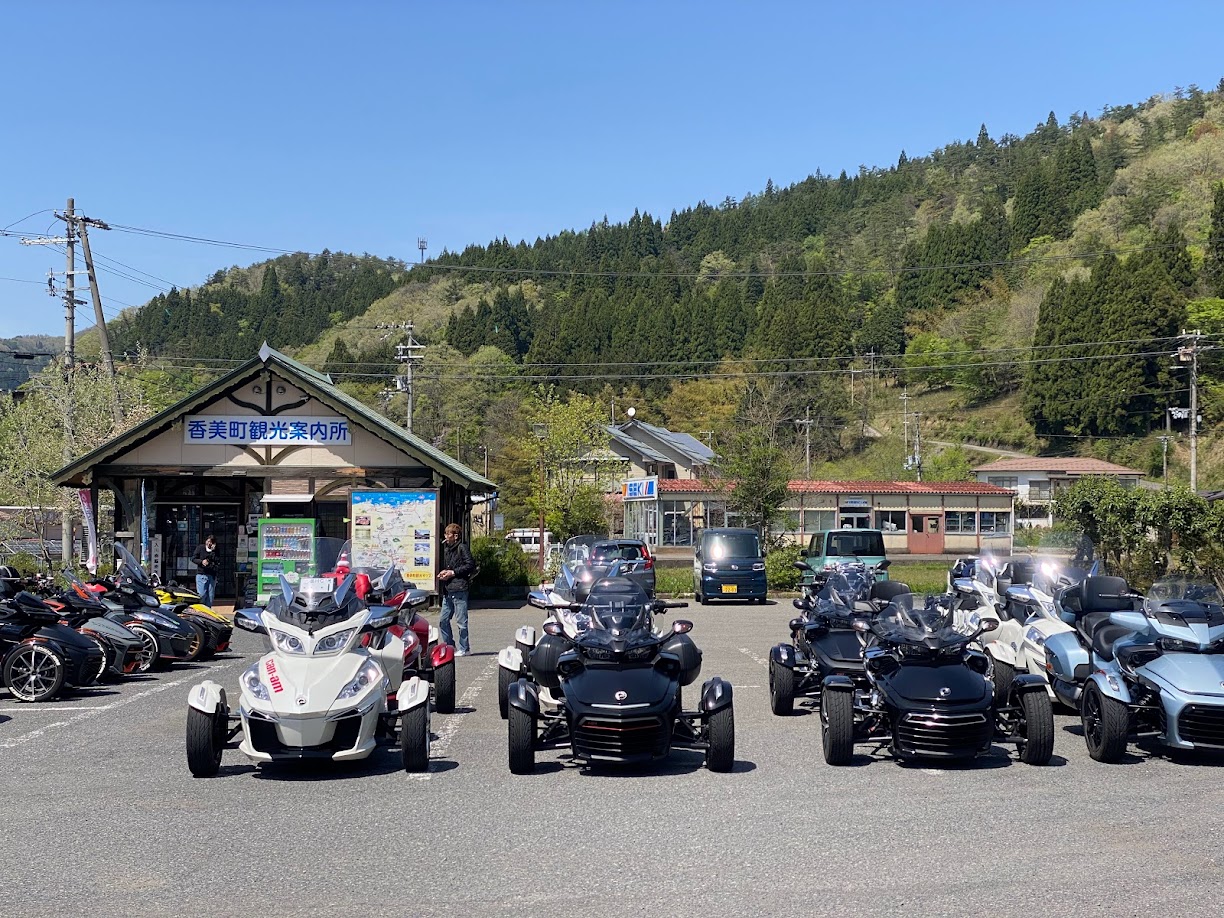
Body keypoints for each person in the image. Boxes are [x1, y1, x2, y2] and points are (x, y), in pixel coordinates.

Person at [438, 523, 476, 656]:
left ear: (455, 536)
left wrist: (453, 573)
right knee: (443, 620)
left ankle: (464, 648)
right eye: (445, 534)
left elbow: (470, 565)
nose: (446, 536)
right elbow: (450, 567)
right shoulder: (447, 549)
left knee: (461, 622)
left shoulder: (462, 547)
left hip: (460, 588)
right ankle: (450, 646)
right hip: (448, 589)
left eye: (448, 534)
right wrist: (444, 572)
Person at [191, 534, 219, 609]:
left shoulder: (216, 550)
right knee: (202, 595)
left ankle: (208, 610)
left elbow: (216, 560)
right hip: (202, 574)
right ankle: (200, 610)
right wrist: (201, 562)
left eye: (211, 542)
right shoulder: (200, 548)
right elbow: (193, 558)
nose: (209, 543)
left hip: (212, 575)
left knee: (210, 596)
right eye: (208, 541)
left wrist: (213, 551)